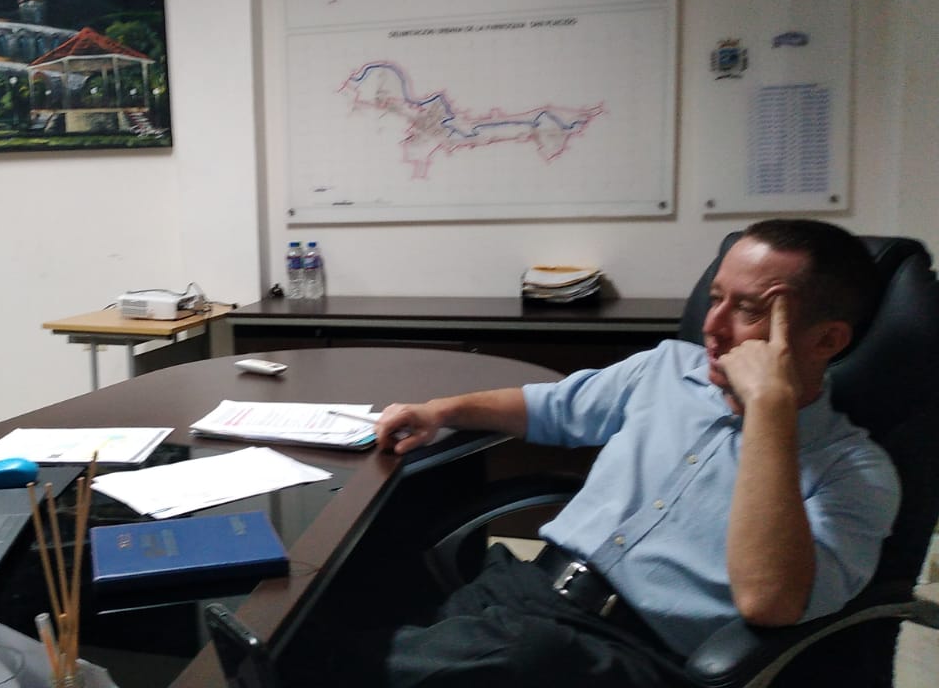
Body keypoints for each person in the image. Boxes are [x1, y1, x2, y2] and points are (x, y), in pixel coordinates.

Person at [321, 219, 901, 687]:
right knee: (343, 600)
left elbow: (768, 602)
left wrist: (770, 408)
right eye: (715, 298)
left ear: (828, 339)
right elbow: (551, 407)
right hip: (526, 595)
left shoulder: (856, 473)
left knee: (343, 664)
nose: (713, 325)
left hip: (632, 652)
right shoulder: (666, 368)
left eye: (749, 310)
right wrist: (440, 411)